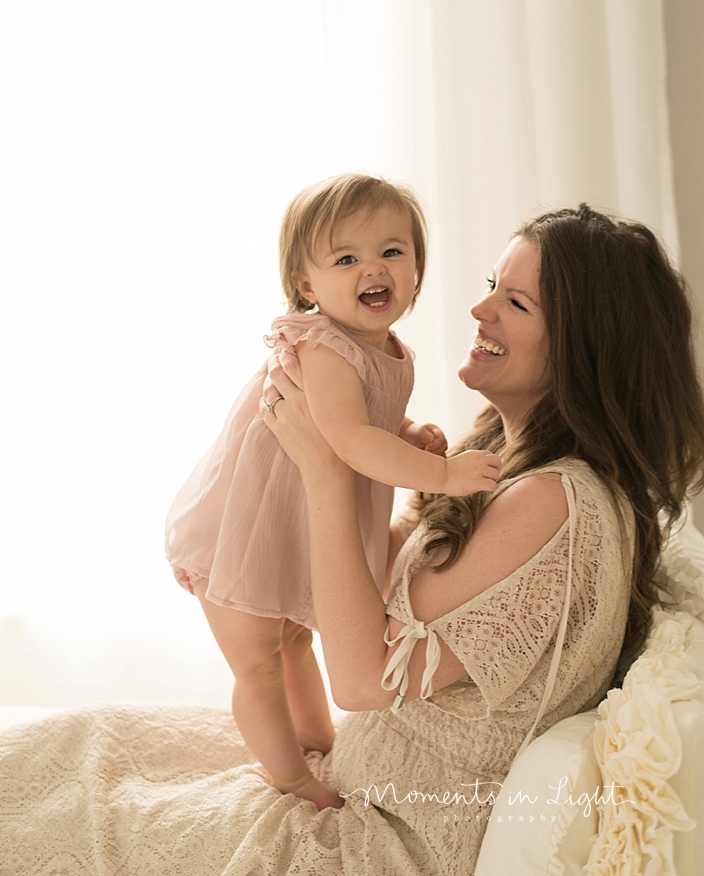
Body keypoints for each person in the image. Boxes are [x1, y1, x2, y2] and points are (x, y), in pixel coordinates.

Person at [0, 205, 704, 875]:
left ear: (587, 352)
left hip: (382, 839)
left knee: (67, 790)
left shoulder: (556, 501)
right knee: (81, 744)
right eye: (494, 284)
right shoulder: (503, 468)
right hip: (351, 785)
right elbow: (370, 588)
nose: (478, 308)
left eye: (515, 303)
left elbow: (364, 679)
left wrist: (326, 468)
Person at [164, 173, 500, 811]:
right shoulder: (320, 345)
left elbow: (363, 421)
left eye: (391, 252)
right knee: (259, 662)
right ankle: (289, 777)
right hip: (237, 529)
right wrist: (443, 476)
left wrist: (405, 430)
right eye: (345, 258)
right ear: (306, 285)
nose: (372, 268)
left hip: (291, 524)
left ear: (417, 268)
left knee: (295, 637)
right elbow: (347, 438)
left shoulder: (387, 349)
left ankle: (319, 740)